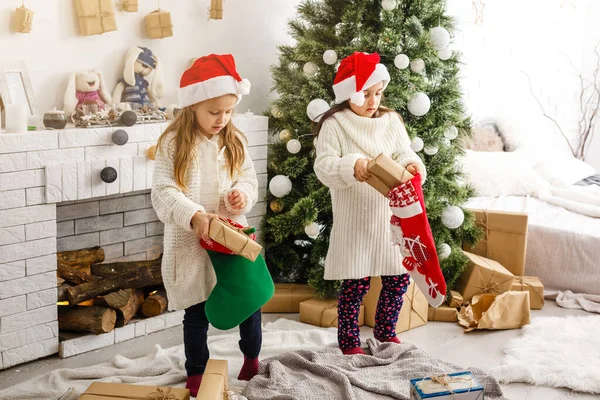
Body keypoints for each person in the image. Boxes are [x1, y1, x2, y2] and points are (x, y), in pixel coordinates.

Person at [151, 54, 260, 395]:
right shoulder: (173, 143)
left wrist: (241, 194)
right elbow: (164, 192)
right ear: (194, 105)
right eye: (214, 112)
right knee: (197, 313)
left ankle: (252, 360)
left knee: (249, 303)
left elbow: (249, 180)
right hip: (192, 243)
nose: (222, 119)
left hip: (232, 238)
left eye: (228, 111)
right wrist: (194, 215)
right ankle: (196, 371)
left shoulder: (235, 140)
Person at [313, 52, 427, 355]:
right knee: (354, 286)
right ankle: (349, 341)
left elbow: (404, 153)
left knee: (396, 280)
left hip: (389, 221)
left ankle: (386, 332)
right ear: (348, 93)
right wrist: (351, 166)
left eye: (378, 93)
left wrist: (412, 165)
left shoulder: (391, 122)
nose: (372, 100)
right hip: (355, 222)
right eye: (365, 93)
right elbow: (324, 166)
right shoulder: (335, 125)